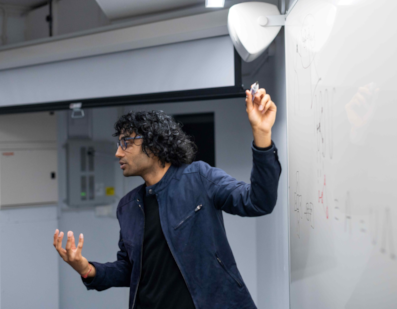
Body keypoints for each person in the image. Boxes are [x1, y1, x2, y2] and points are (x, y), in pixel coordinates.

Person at [53, 88, 282, 309]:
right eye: (118, 144)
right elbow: (130, 270)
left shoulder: (199, 178)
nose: (118, 153)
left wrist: (262, 135)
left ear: (153, 145)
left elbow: (258, 201)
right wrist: (86, 268)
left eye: (126, 143)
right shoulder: (128, 206)